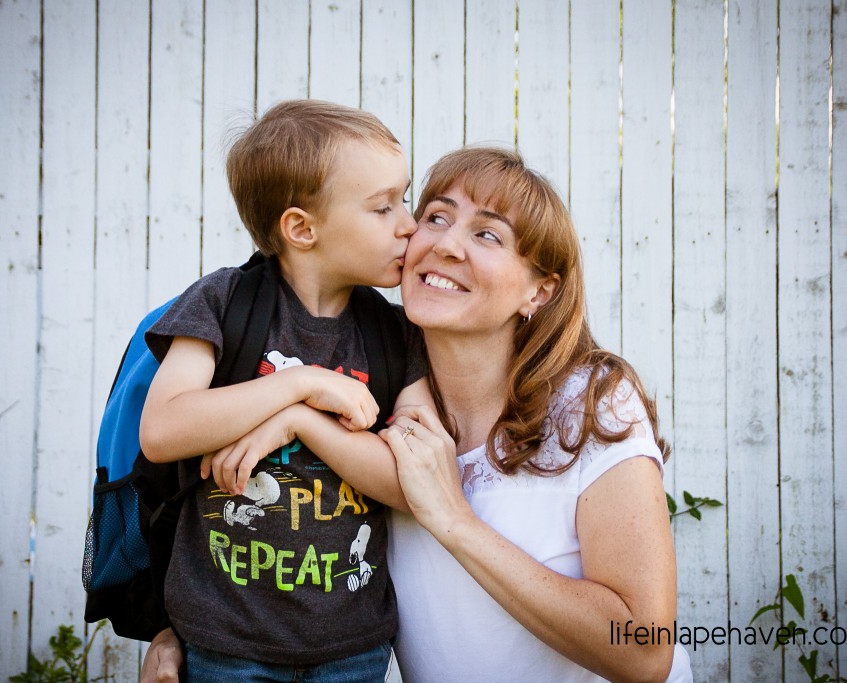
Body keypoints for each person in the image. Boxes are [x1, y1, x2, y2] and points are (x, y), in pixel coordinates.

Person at [142, 146, 692, 682]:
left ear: (540, 291)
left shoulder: (590, 404)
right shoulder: (368, 372)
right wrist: (179, 634)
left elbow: (643, 654)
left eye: (487, 234)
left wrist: (454, 520)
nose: (445, 244)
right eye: (435, 216)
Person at [138, 99, 429, 681]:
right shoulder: (224, 305)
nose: (408, 224)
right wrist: (303, 383)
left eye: (405, 199)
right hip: (224, 644)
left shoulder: (396, 333)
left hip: (352, 648)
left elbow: (412, 485)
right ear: (301, 228)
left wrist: (299, 419)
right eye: (382, 208)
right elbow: (163, 431)